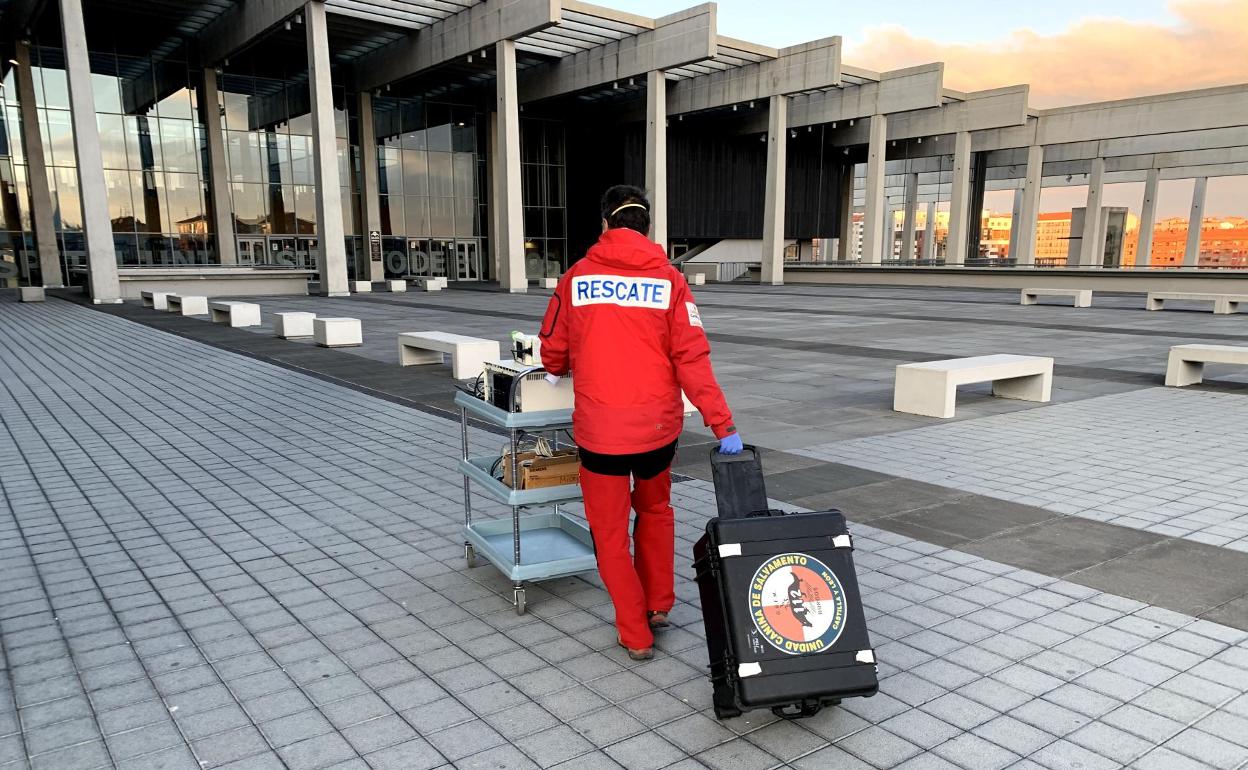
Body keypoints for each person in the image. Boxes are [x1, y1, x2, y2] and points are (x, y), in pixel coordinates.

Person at [539, 184, 742, 660]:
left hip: (601, 436)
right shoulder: (670, 280)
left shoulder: (576, 278)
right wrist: (723, 426)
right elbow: (693, 359)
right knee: (655, 512)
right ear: (648, 228)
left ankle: (635, 633)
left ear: (605, 224)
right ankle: (659, 604)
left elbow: (551, 356)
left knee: (609, 535)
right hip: (657, 433)